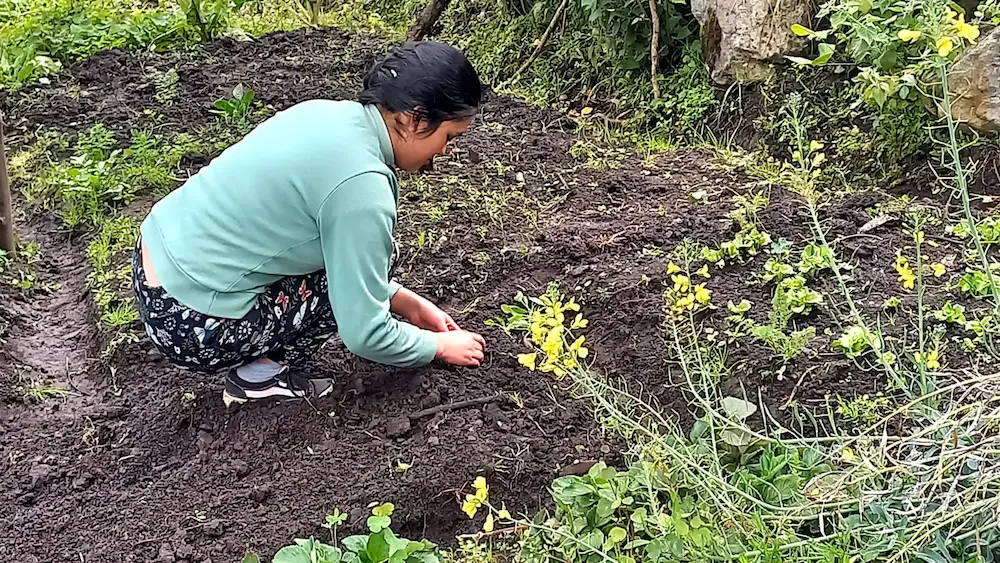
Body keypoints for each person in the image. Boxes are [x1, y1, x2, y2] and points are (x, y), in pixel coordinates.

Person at [132, 41, 487, 406]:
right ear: (415, 119)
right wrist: (438, 346)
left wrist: (408, 303)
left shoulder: (325, 114)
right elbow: (365, 333)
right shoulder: (361, 186)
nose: (445, 152)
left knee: (360, 259)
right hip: (190, 323)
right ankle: (258, 378)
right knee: (366, 269)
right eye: (449, 137)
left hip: (156, 260)